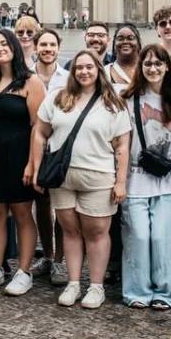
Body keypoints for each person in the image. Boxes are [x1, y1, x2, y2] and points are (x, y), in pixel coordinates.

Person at [32, 50, 131, 309]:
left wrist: (121, 182)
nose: (84, 72)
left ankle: (96, 286)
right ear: (73, 71)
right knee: (71, 231)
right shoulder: (58, 98)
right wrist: (36, 166)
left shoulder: (113, 103)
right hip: (63, 175)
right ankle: (74, 283)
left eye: (89, 67)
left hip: (98, 175)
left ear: (99, 70)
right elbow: (40, 132)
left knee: (96, 232)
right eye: (79, 68)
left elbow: (122, 146)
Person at [0, 29, 45, 295]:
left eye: (4, 43)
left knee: (23, 214)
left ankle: (24, 271)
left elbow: (38, 126)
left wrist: (31, 163)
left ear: (14, 47)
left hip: (19, 154)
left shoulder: (31, 82)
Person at [120, 44, 171, 309]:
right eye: (147, 64)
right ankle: (137, 290)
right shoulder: (128, 99)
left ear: (167, 66)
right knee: (137, 236)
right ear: (140, 67)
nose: (153, 68)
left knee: (163, 237)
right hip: (136, 176)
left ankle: (167, 291)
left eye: (158, 63)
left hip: (169, 176)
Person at [33, 29, 69, 93]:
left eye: (53, 45)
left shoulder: (69, 79)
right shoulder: (24, 78)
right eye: (43, 44)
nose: (48, 49)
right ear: (35, 48)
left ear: (58, 48)